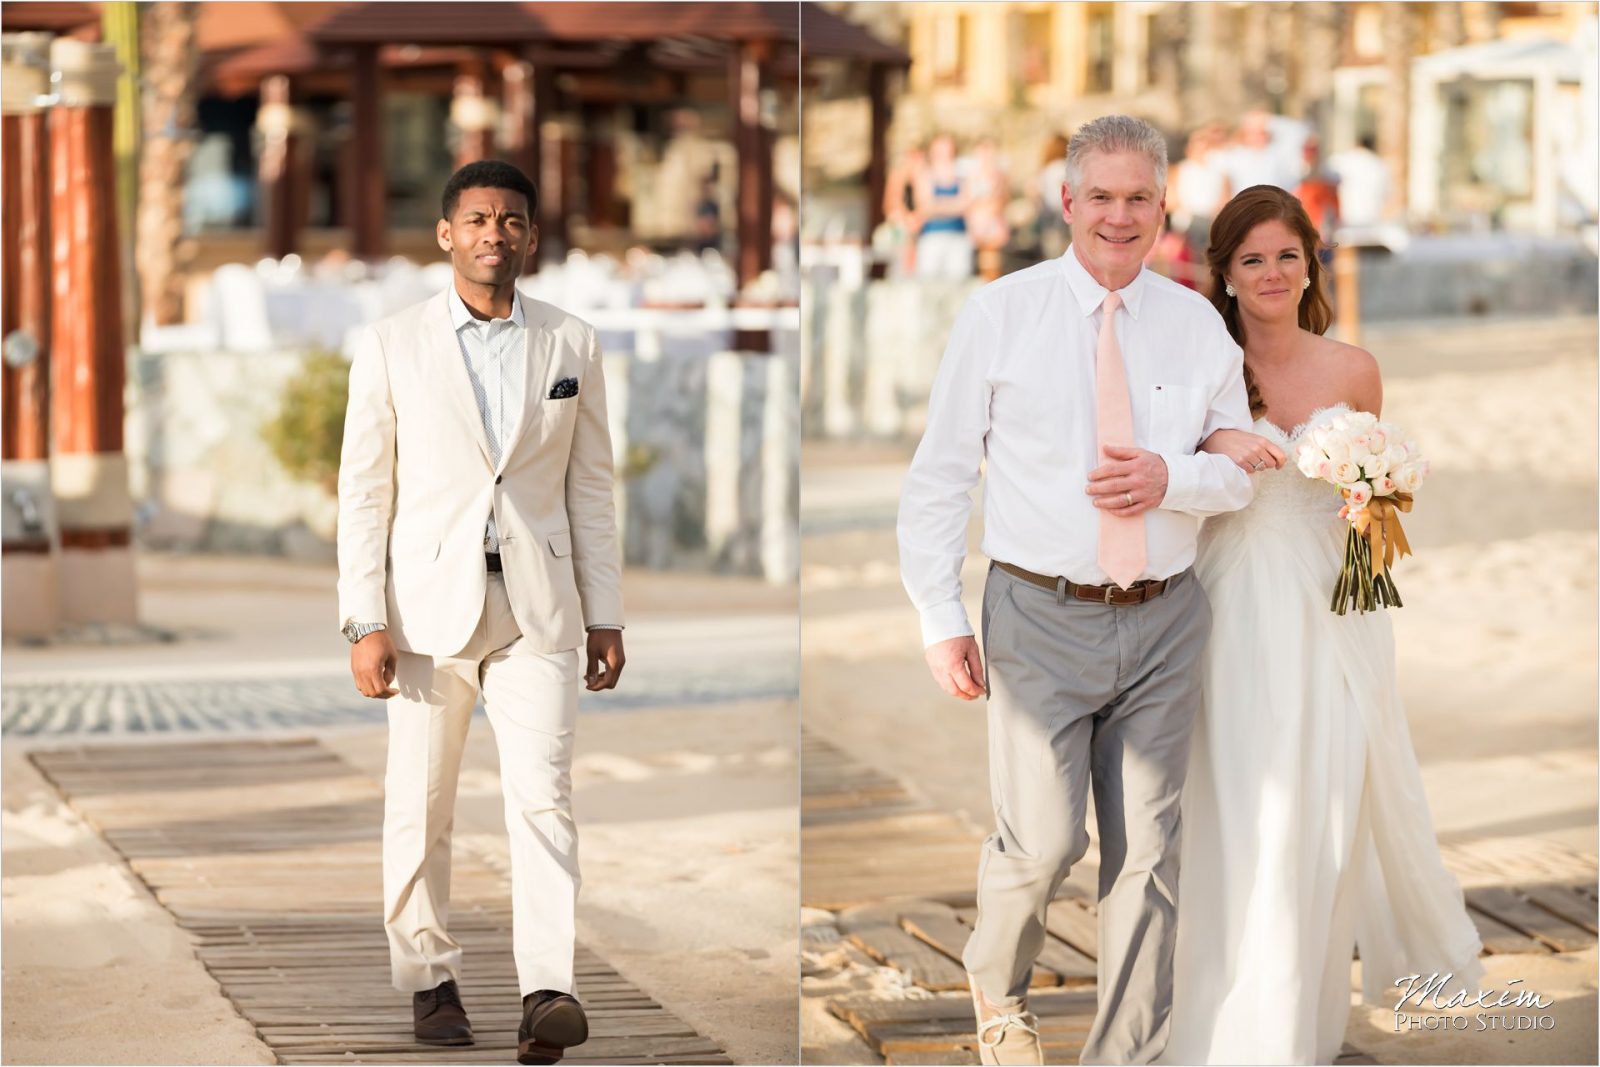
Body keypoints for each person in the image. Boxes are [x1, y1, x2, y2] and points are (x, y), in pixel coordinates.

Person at [898, 115, 1255, 1066]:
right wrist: (939, 616)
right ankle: (998, 990)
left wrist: (1170, 480)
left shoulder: (1195, 327)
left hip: (1168, 619)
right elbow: (940, 476)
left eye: (1139, 196)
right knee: (1046, 840)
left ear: (1164, 206)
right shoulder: (998, 315)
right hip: (1036, 615)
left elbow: (1240, 468)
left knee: (1146, 853)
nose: (1120, 215)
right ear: (1067, 202)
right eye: (1101, 195)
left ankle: (1126, 1051)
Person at [1160, 185, 1484, 1065]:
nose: (1272, 273)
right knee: (1243, 809)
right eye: (1252, 258)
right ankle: (1223, 1029)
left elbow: (1377, 513)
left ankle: (1296, 1028)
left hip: (1337, 614)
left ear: (1312, 262)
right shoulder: (1203, 365)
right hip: (1231, 608)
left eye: (1287, 255)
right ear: (1224, 273)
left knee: (1326, 810)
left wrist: (1368, 502)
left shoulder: (1355, 370)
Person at [336, 159, 626, 1066]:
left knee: (545, 798)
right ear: (446, 234)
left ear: (531, 237)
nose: (493, 234)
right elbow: (364, 494)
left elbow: (592, 488)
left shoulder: (572, 344)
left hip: (541, 609)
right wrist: (362, 618)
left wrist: (606, 612)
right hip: (424, 613)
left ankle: (548, 989)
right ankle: (428, 977)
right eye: (477, 219)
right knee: (421, 805)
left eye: (510, 220)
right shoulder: (391, 343)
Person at [914, 133, 974, 280]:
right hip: (932, 237)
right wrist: (954, 204)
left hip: (958, 236)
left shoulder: (962, 173)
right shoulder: (925, 174)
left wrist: (938, 204)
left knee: (959, 282)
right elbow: (924, 207)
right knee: (929, 283)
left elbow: (967, 204)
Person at [1326, 134, 1391, 228]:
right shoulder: (1380, 165)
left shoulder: (1343, 160)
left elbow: (1326, 178)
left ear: (1358, 144)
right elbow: (1387, 194)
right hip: (1373, 219)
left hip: (1346, 218)